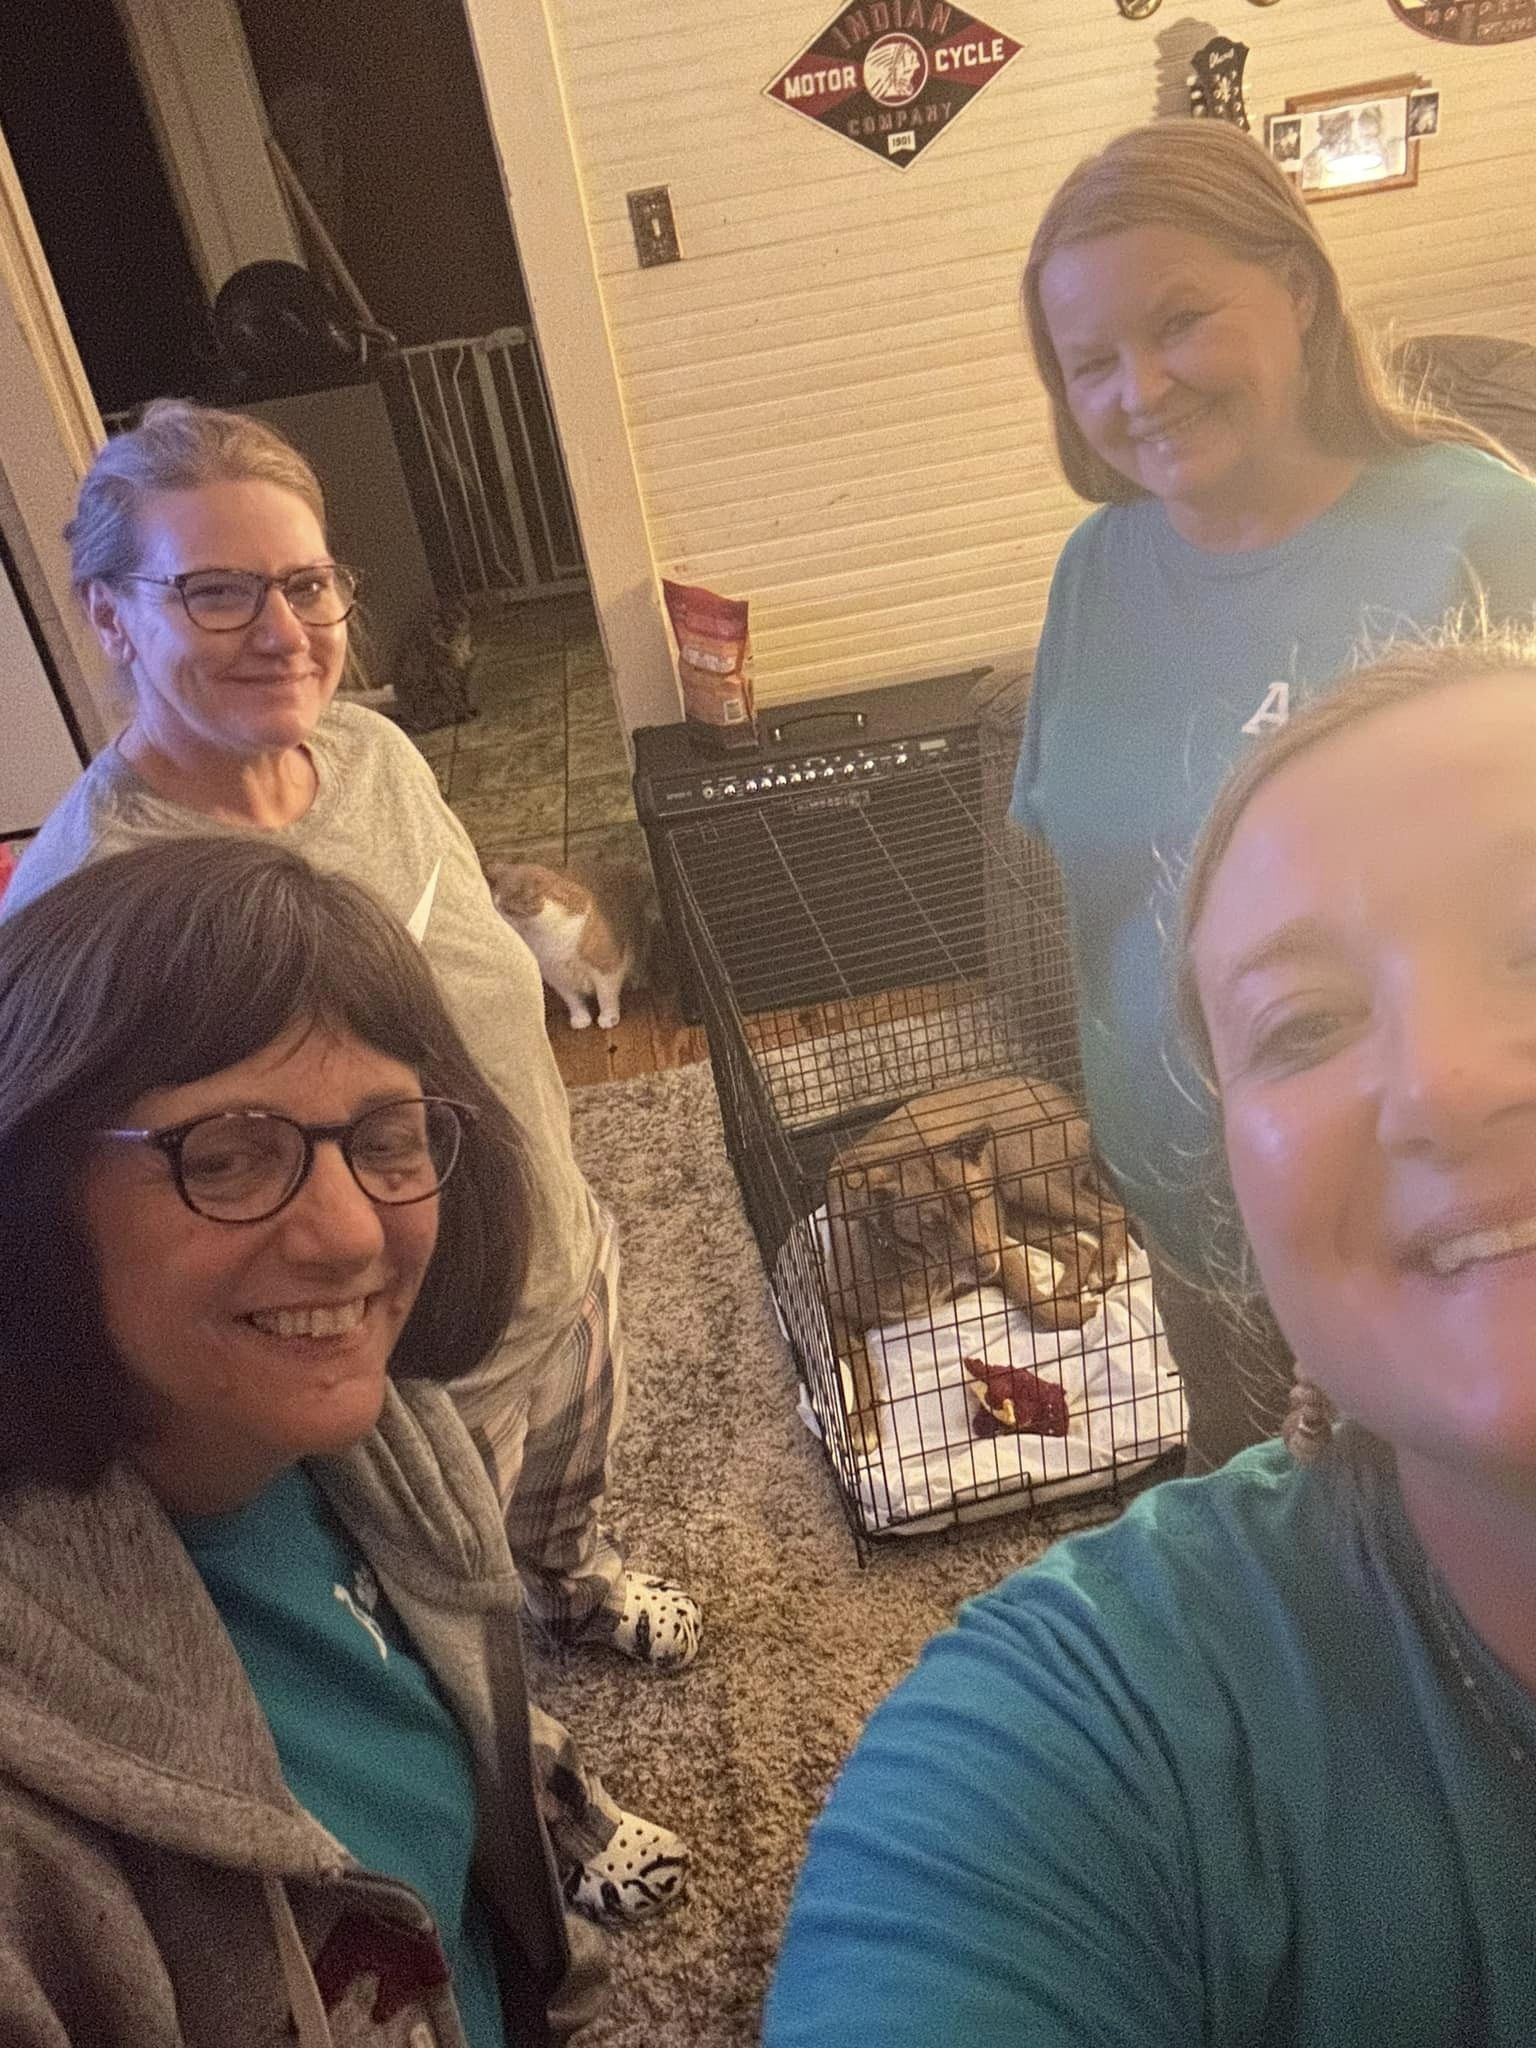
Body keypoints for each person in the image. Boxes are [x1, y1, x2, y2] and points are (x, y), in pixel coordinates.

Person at [766, 626, 1536, 2046]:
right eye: (1305, 1025)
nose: (1441, 1084)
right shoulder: (1078, 1733)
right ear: (1245, 1200)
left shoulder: (991, 1167)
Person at [0, 399, 699, 1919]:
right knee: (451, 1621)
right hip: (377, 1355)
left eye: (306, 584)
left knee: (554, 1503)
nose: (281, 629)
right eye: (216, 591)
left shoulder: (374, 754)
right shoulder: (96, 905)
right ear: (109, 613)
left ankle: (574, 1579)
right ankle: (551, 1808)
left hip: (549, 1254)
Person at [0, 836, 625, 2045]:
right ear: (31, 1195)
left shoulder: (393, 1446)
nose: (347, 1235)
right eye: (228, 1156)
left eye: (386, 1137)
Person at [1009, 117, 1536, 1470]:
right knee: (1270, 1528)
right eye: (1090, 363)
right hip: (1188, 1206)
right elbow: (1084, 886)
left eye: (1180, 322)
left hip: (1432, 1205)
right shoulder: (1095, 570)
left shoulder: (1479, 529)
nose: (1141, 387)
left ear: (1298, 291)